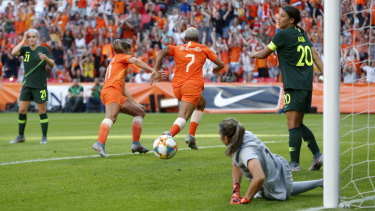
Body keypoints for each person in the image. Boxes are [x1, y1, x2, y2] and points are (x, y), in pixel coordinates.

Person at [249, 6, 324, 171]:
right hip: (305, 85)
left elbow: (263, 54)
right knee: (299, 123)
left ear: (291, 20)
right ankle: (318, 155)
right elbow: (316, 56)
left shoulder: (283, 34)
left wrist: (253, 54)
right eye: (278, 15)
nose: (278, 18)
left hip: (293, 85)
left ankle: (294, 164)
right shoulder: (302, 34)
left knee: (293, 125)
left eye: (282, 16)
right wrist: (327, 76)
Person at [218, 118, 323, 204]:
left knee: (278, 191)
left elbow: (259, 177)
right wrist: (236, 190)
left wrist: (246, 198)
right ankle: (321, 182)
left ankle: (321, 182)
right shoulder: (241, 134)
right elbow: (236, 163)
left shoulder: (246, 152)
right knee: (283, 187)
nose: (219, 137)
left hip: (272, 174)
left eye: (220, 135)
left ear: (226, 138)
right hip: (275, 164)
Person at [151, 27, 224, 149]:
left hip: (177, 87)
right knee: (183, 116)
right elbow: (221, 64)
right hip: (192, 86)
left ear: (185, 39)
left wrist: (156, 70)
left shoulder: (178, 47)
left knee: (201, 103)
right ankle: (168, 136)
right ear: (198, 39)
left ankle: (191, 135)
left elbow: (163, 51)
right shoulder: (203, 48)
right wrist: (217, 69)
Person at [92, 39, 157, 157]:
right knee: (111, 117)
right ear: (125, 50)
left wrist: (135, 103)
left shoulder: (118, 63)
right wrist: (153, 70)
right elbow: (136, 61)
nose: (131, 52)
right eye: (130, 49)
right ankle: (99, 143)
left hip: (115, 92)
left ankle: (136, 144)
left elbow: (123, 88)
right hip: (111, 91)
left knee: (140, 112)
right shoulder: (121, 57)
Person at [9, 29, 55, 144]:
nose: (31, 39)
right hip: (27, 85)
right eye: (29, 37)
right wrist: (23, 40)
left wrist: (47, 59)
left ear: (37, 37)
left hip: (40, 85)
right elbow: (13, 53)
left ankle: (44, 137)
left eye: (33, 37)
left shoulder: (43, 49)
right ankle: (20, 136)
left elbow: (52, 64)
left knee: (42, 111)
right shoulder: (25, 49)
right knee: (21, 110)